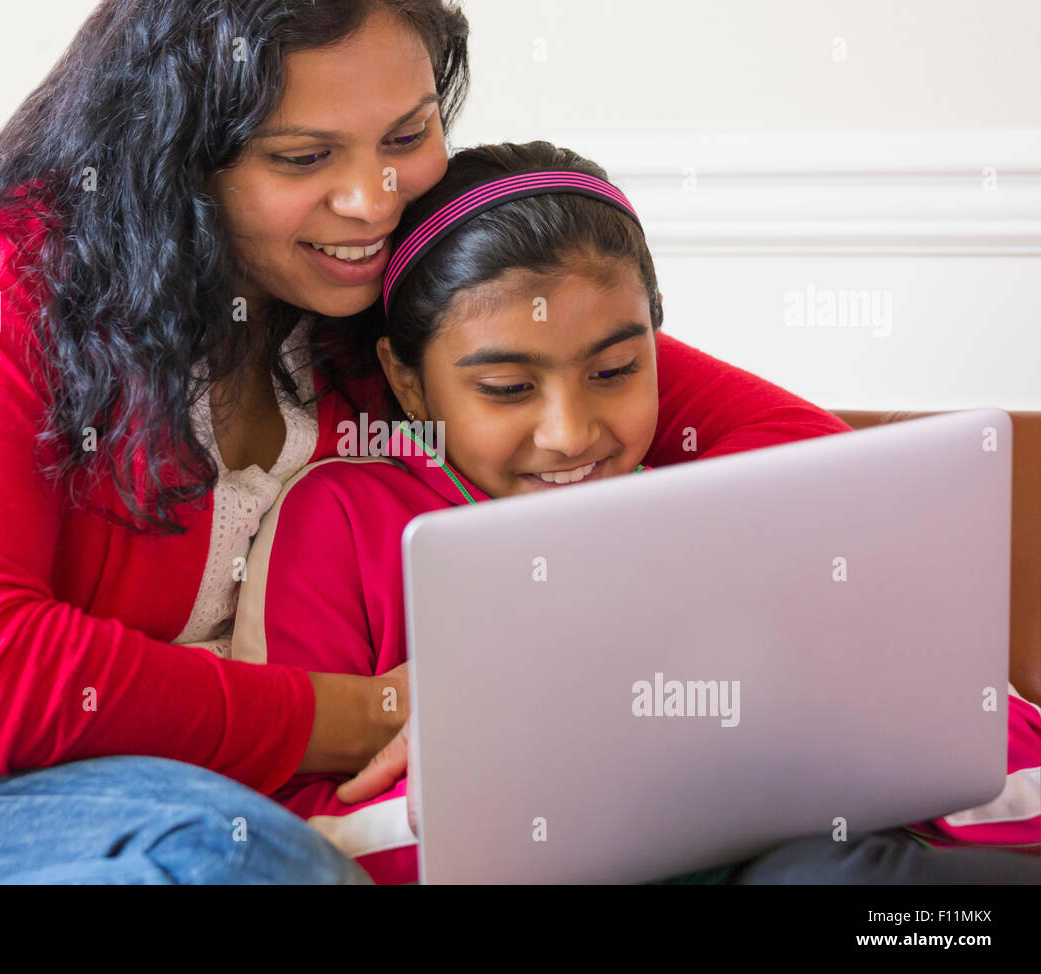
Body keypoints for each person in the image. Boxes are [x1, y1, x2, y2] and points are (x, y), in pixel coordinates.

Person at [0, 0, 866, 885]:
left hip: (264, 794)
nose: (371, 199)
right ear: (175, 158)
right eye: (302, 156)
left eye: (406, 135)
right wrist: (383, 708)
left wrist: (566, 671)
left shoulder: (376, 303)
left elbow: (800, 468)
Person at [228, 140, 1041, 884]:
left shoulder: (721, 512)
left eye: (616, 370)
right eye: (507, 388)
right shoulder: (335, 517)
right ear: (407, 382)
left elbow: (1005, 758)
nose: (571, 433)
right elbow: (294, 834)